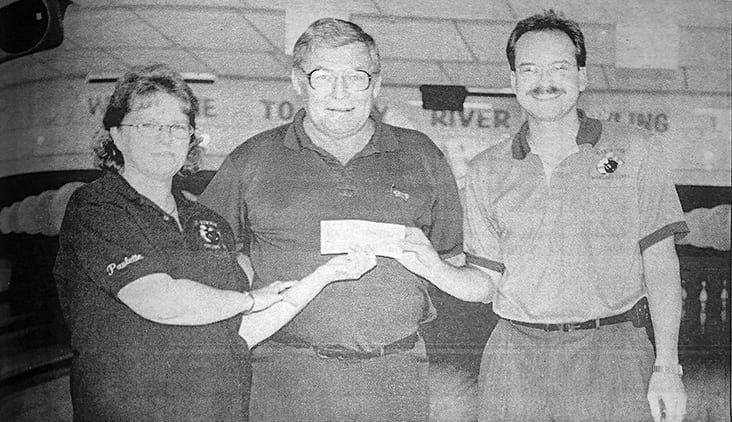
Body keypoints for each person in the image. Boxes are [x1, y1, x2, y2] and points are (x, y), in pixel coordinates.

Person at [395, 10, 688, 422]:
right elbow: (484, 284)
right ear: (514, 81)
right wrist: (430, 265)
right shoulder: (485, 170)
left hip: (615, 353)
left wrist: (667, 367)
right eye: (529, 69)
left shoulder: (635, 150)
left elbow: (661, 263)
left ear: (582, 77)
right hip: (514, 357)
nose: (544, 81)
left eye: (560, 67)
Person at [53, 64, 375, 421]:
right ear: (116, 134)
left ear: (191, 138)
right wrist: (250, 300)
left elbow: (240, 332)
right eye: (147, 125)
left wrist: (325, 276)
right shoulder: (98, 206)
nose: (165, 138)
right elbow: (157, 299)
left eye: (177, 127)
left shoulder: (208, 222)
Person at [199, 18, 463, 421]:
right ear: (298, 81)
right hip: (286, 375)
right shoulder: (250, 160)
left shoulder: (422, 156)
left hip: (397, 374)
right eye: (323, 77)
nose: (340, 94)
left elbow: (452, 260)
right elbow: (203, 264)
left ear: (375, 84)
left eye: (356, 77)